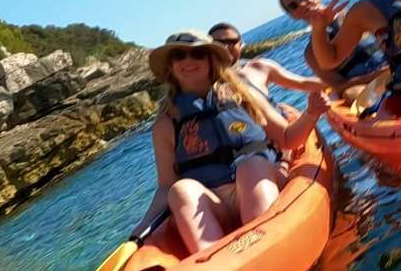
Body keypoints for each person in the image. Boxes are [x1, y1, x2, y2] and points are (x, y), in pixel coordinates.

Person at [135, 31, 329, 254]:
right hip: (213, 204)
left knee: (250, 165)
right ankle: (215, 261)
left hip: (259, 182)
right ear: (171, 66)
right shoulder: (166, 123)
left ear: (211, 59)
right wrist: (139, 232)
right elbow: (166, 186)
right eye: (179, 56)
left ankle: (267, 244)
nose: (188, 61)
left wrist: (311, 113)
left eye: (197, 54)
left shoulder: (243, 95)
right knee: (180, 190)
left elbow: (288, 138)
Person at [277, 0, 386, 91]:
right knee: (350, 93)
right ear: (292, 15)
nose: (301, 4)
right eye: (293, 6)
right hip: (367, 88)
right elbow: (338, 85)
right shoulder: (311, 53)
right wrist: (378, 75)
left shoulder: (354, 15)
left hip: (391, 65)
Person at [207, 21, 328, 97]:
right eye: (218, 43)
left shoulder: (259, 67)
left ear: (241, 44)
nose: (225, 47)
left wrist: (337, 82)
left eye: (232, 42)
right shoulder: (204, 82)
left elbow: (302, 83)